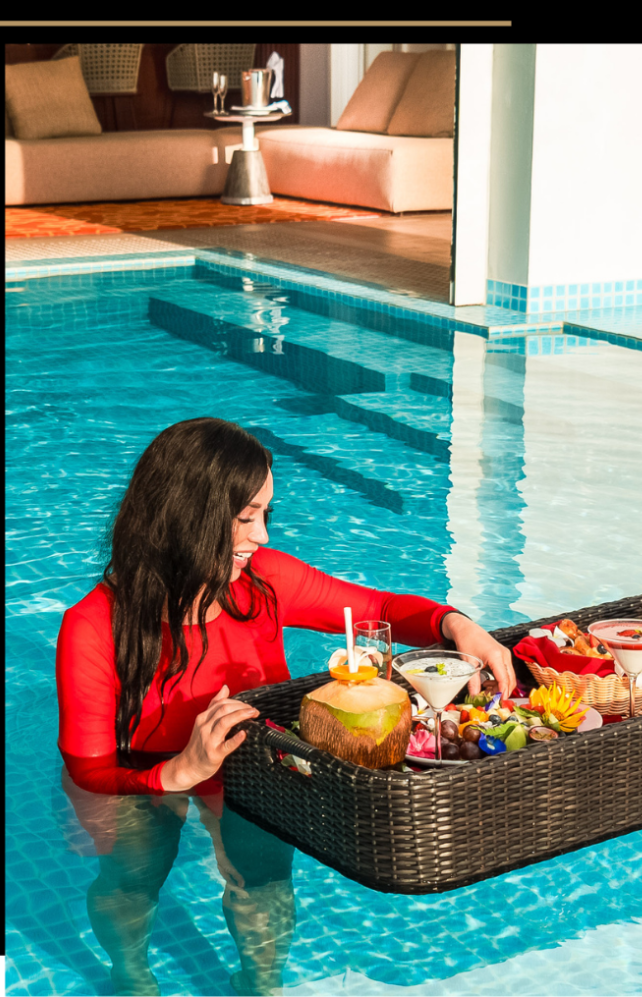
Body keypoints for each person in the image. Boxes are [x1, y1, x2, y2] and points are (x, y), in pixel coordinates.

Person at [55, 416, 515, 994]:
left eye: (265, 515)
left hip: (253, 760)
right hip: (139, 768)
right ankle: (130, 976)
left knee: (266, 877)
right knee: (132, 878)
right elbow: (88, 768)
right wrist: (178, 772)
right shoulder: (93, 626)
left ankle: (260, 984)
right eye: (246, 518)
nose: (263, 537)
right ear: (185, 515)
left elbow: (381, 608)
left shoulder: (265, 582)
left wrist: (454, 623)